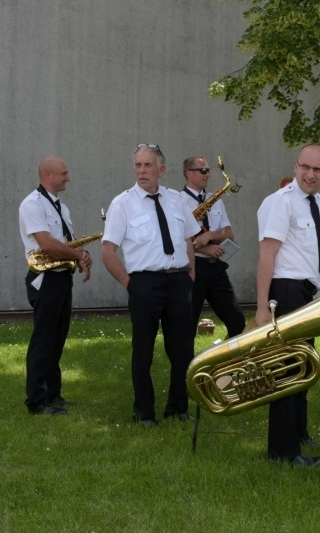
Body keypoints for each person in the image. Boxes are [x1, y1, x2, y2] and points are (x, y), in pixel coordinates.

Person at [101, 144, 200, 428]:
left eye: (147, 165)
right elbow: (108, 252)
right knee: (142, 351)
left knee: (182, 349)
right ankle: (144, 412)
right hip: (144, 283)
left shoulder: (177, 200)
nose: (142, 171)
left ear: (161, 169)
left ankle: (178, 407)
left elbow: (188, 240)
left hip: (179, 282)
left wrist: (190, 274)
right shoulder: (123, 203)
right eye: (138, 166)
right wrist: (130, 284)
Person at [255, 144, 320, 467]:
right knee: (288, 372)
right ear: (296, 165)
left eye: (318, 170)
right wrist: (262, 307)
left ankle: (299, 434)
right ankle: (283, 452)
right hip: (287, 292)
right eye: (306, 166)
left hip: (311, 297)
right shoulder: (280, 203)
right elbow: (266, 255)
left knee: (305, 368)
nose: (310, 174)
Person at [19, 155, 92, 415]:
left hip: (61, 277)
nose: (68, 177)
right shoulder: (32, 204)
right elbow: (47, 244)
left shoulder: (61, 206)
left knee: (57, 338)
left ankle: (53, 394)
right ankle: (36, 402)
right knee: (43, 339)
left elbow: (65, 244)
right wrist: (77, 255)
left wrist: (81, 255)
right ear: (48, 174)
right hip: (45, 279)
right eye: (64, 173)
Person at [179, 156, 245, 339]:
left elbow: (229, 233)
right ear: (189, 173)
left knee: (237, 321)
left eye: (208, 170)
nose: (208, 175)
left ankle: (225, 362)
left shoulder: (214, 200)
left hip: (216, 269)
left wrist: (210, 236)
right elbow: (177, 238)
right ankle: (188, 366)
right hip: (193, 269)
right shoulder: (177, 201)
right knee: (187, 325)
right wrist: (204, 249)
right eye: (203, 170)